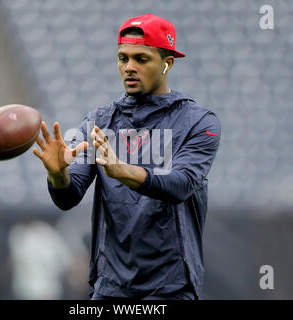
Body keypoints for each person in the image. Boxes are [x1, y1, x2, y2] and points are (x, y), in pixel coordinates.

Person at [33, 14, 221, 300]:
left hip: (170, 287)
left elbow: (181, 184)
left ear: (167, 63)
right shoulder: (98, 121)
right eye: (123, 58)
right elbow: (68, 197)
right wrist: (57, 174)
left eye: (141, 59)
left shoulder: (198, 122)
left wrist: (124, 171)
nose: (129, 68)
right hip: (111, 287)